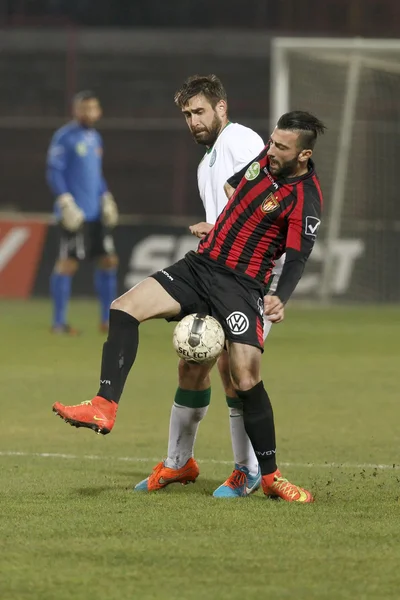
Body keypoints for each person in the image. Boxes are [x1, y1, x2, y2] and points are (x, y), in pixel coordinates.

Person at [53, 109, 325, 503]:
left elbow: (298, 256)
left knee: (245, 377)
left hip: (242, 286)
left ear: (303, 155)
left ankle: (269, 477)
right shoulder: (265, 160)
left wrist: (280, 296)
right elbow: (236, 190)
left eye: (282, 147)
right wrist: (222, 227)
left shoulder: (306, 197)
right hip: (200, 266)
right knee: (125, 307)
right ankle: (104, 404)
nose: (271, 150)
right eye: (272, 141)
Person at [134, 74, 285, 498]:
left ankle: (248, 469)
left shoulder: (239, 139)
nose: (193, 121)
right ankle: (179, 464)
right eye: (187, 114)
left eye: (200, 111)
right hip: (218, 273)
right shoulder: (208, 163)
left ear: (222, 107)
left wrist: (219, 227)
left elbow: (267, 199)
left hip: (252, 275)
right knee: (192, 362)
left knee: (234, 372)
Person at [46, 90, 119, 334]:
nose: (89, 113)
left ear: (99, 112)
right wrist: (65, 200)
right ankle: (59, 323)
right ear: (76, 110)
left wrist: (105, 195)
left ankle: (107, 320)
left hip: (95, 212)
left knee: (109, 261)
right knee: (67, 264)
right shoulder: (64, 137)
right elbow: (54, 172)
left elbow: (95, 175)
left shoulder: (95, 138)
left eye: (93, 108)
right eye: (84, 108)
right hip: (74, 214)